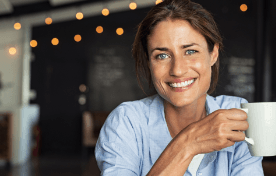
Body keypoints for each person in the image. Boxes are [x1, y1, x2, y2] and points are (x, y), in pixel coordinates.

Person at [95, 0, 264, 175]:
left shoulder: (236, 114)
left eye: (190, 51)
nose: (177, 70)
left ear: (213, 53)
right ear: (149, 62)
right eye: (162, 55)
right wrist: (188, 143)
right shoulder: (126, 123)